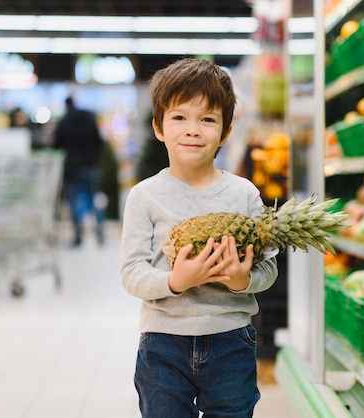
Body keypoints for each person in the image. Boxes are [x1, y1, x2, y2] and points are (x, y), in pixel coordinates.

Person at [120, 58, 279, 418]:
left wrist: (243, 281)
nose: (193, 130)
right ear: (158, 127)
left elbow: (268, 267)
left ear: (225, 132)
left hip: (231, 338)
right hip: (163, 342)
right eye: (179, 117)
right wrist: (176, 281)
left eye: (207, 119)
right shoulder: (144, 196)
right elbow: (131, 272)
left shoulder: (244, 194)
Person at [53, 97, 105, 246]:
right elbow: (99, 142)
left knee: (73, 202)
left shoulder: (64, 123)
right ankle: (100, 234)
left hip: (71, 168)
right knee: (94, 199)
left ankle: (77, 236)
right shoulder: (89, 121)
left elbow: (57, 145)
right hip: (90, 165)